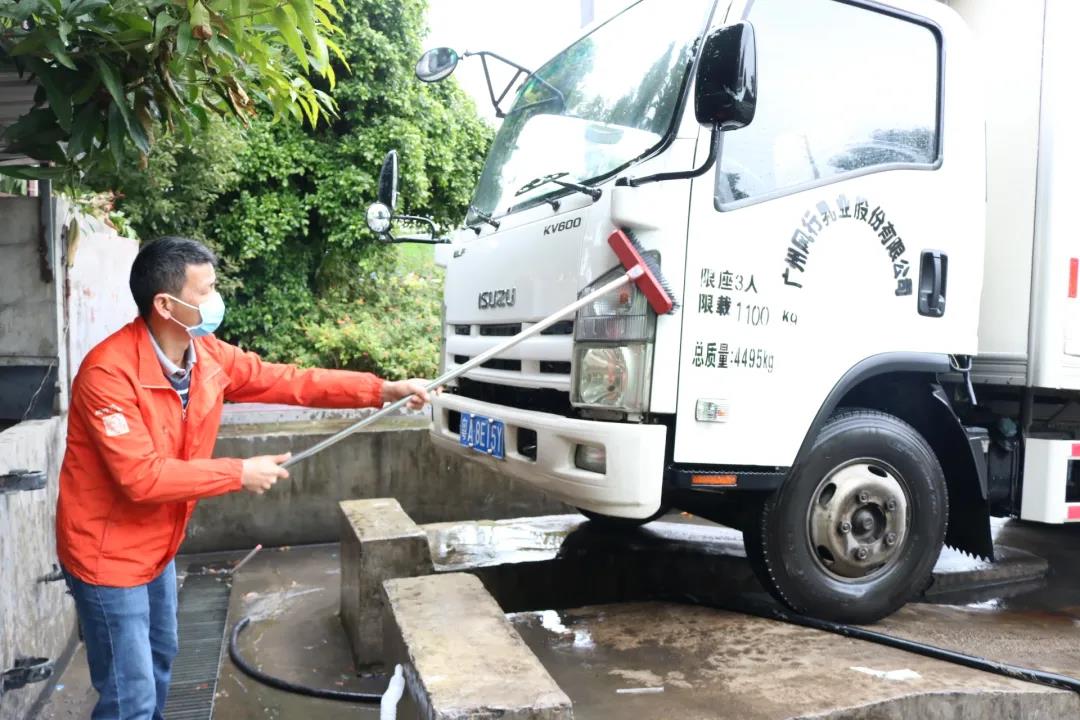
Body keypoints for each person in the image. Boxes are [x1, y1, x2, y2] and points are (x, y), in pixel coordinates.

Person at [55, 236, 431, 720]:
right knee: (131, 696)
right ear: (165, 305)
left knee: (161, 660)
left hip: (158, 547)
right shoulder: (108, 374)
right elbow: (141, 477)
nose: (216, 299)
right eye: (206, 290)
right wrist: (239, 471)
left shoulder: (206, 354)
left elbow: (289, 381)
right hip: (106, 555)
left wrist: (382, 390)